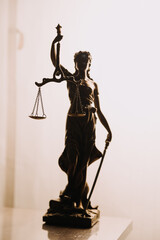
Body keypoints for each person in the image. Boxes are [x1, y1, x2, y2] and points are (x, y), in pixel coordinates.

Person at [50, 35, 112, 209]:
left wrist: (109, 130)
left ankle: (78, 198)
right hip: (73, 122)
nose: (83, 64)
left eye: (86, 62)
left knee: (83, 162)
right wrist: (55, 42)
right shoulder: (71, 79)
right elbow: (56, 62)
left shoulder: (93, 83)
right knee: (73, 158)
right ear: (75, 63)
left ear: (90, 64)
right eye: (80, 61)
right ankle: (70, 194)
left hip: (90, 123)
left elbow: (99, 110)